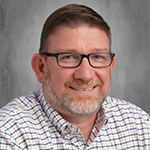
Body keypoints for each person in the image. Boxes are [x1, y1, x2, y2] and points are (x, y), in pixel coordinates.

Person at [0, 4, 149, 149]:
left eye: (97, 56)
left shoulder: (140, 126)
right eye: (69, 57)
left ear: (110, 66)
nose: (85, 75)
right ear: (41, 67)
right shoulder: (9, 134)